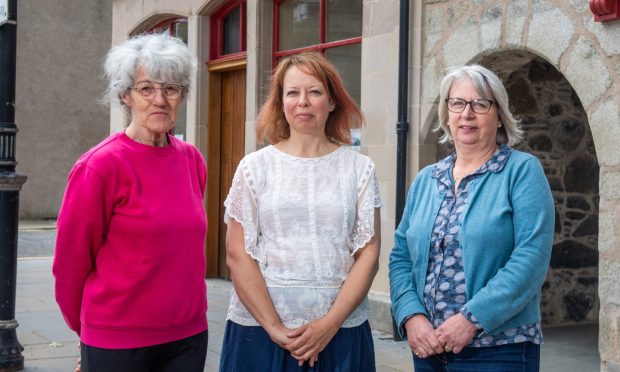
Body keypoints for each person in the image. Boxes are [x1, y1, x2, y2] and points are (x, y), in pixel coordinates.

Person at [53, 33, 209, 372]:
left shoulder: (192, 160)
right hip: (118, 341)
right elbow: (69, 266)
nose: (160, 100)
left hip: (188, 337)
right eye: (146, 89)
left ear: (183, 95)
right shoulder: (99, 166)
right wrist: (88, 335)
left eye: (171, 89)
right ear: (125, 95)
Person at [218, 52, 382, 371]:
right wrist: (277, 330)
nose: (303, 101)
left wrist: (330, 324)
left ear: (332, 102)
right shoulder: (254, 168)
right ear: (281, 102)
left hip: (340, 331)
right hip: (260, 332)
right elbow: (237, 254)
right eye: (292, 92)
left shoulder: (359, 168)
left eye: (315, 91)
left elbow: (369, 252)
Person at [389, 64, 555, 371]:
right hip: (428, 347)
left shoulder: (521, 171)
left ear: (498, 115)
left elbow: (531, 258)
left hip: (499, 348)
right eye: (458, 103)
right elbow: (401, 257)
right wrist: (410, 315)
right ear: (446, 113)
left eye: (480, 104)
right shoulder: (427, 179)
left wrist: (471, 319)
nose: (467, 114)